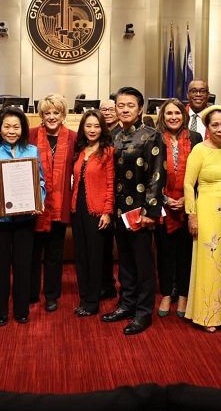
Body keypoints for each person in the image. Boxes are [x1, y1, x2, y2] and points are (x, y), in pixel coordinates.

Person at [102, 86, 165, 335]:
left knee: (143, 263)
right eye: (120, 105)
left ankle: (143, 312)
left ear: (139, 109)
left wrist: (150, 210)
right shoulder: (114, 136)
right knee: (125, 261)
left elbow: (157, 175)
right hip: (119, 211)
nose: (124, 109)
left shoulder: (151, 136)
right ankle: (126, 304)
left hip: (140, 211)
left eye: (130, 105)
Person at [0, 106, 46, 326]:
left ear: (23, 128)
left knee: (23, 264)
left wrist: (39, 200)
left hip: (25, 217)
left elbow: (41, 182)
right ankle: (0, 310)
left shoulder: (32, 151)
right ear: (0, 128)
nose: (11, 131)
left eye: (16, 126)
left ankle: (21, 309)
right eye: (7, 126)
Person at [183, 105, 221, 332]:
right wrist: (192, 215)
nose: (220, 129)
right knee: (209, 261)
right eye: (214, 125)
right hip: (206, 209)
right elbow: (188, 184)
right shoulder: (199, 149)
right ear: (207, 127)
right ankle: (208, 313)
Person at [30, 94, 77, 313]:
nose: (51, 117)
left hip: (60, 204)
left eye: (56, 112)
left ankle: (51, 294)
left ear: (63, 115)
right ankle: (30, 292)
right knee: (32, 251)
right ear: (41, 115)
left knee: (54, 254)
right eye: (47, 113)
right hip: (33, 205)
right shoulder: (30, 136)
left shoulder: (74, 138)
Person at [155, 99, 201, 319]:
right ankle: (166, 293)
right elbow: (151, 173)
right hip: (162, 206)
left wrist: (186, 199)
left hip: (189, 205)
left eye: (178, 113)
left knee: (185, 252)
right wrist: (164, 199)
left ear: (184, 116)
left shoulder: (195, 138)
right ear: (163, 116)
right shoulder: (155, 138)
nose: (173, 117)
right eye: (169, 113)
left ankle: (183, 294)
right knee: (164, 252)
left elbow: (201, 173)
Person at [70, 109, 114, 316]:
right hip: (77, 209)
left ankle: (93, 302)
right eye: (88, 125)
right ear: (83, 128)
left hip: (97, 211)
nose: (92, 130)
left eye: (97, 126)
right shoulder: (79, 150)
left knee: (95, 257)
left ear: (102, 128)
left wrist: (107, 211)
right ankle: (84, 296)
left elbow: (111, 184)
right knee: (81, 256)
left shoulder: (108, 152)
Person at [98, 98, 119, 299]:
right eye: (103, 109)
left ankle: (114, 284)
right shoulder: (97, 134)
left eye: (111, 109)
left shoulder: (123, 133)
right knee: (103, 245)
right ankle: (105, 283)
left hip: (120, 196)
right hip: (103, 196)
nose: (108, 112)